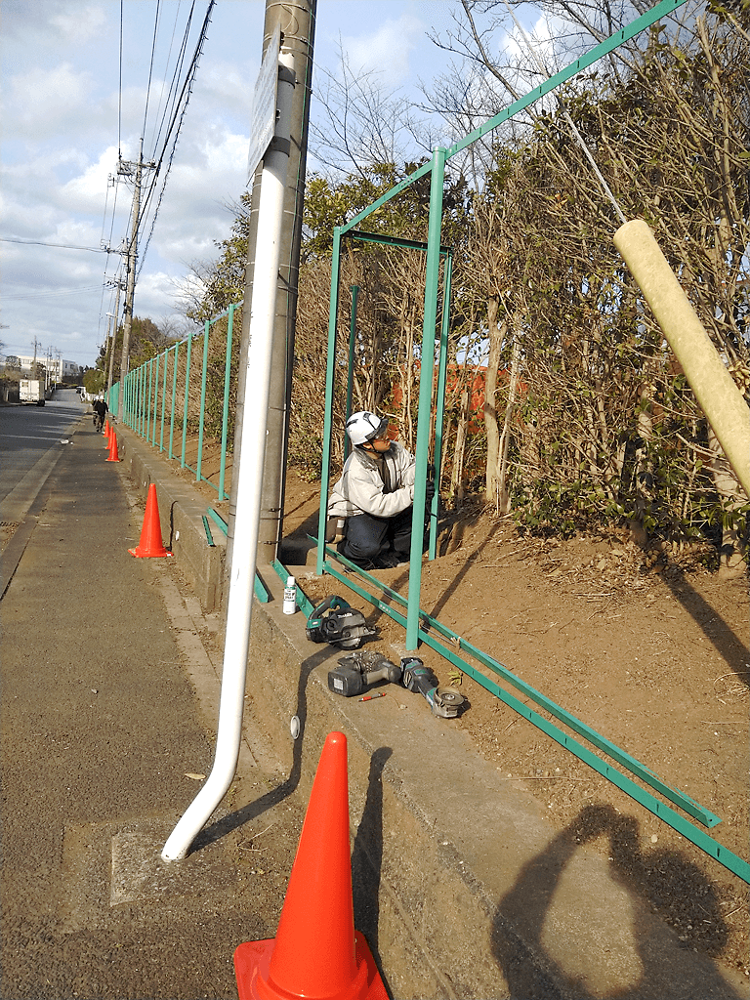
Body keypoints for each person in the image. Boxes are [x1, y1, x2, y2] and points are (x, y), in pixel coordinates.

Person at [327, 410, 434, 569]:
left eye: (384, 431)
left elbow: (409, 468)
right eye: (380, 436)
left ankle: (389, 555)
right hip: (359, 511)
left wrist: (419, 475)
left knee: (416, 518)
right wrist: (413, 493)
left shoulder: (395, 449)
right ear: (366, 444)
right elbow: (378, 505)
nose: (387, 437)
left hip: (387, 503)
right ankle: (351, 555)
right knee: (367, 546)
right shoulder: (355, 470)